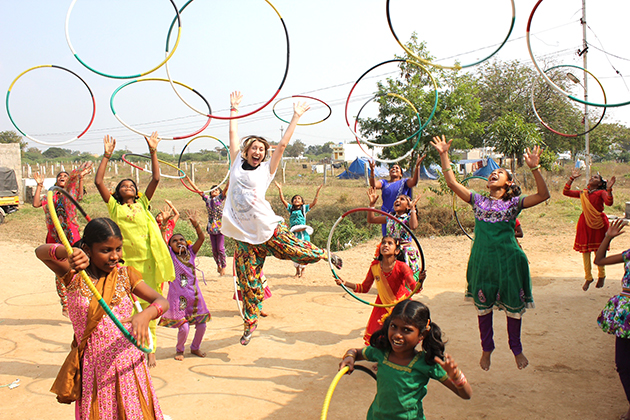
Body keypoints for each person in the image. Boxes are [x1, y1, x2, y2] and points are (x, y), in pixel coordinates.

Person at [222, 91, 342, 345]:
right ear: (245, 152)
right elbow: (232, 136)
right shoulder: (234, 162)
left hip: (267, 228)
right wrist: (233, 109)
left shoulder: (267, 169)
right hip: (244, 237)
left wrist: (296, 116)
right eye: (254, 148)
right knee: (249, 283)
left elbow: (284, 145)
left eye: (262, 149)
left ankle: (324, 255)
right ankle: (250, 323)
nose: (258, 151)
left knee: (297, 250)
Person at [431, 134, 550, 371]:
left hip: (510, 261)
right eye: (492, 174)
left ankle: (516, 349)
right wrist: (444, 155)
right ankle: (487, 349)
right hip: (483, 260)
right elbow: (453, 184)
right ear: (487, 183)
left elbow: (543, 195)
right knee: (483, 308)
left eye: (501, 173)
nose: (494, 173)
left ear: (508, 183)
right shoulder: (477, 201)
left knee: (513, 309)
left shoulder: (514, 203)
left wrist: (535, 168)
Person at [35, 218, 168, 419]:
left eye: (118, 249)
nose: (115, 256)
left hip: (128, 365)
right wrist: (68, 252)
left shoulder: (126, 275)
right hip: (93, 369)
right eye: (106, 250)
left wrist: (146, 314)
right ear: (87, 249)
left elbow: (161, 301)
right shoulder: (74, 276)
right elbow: (40, 252)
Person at [94, 133, 175, 367]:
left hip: (150, 262)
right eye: (123, 186)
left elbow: (156, 179)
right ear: (117, 193)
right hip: (126, 264)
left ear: (137, 192)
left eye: (131, 185)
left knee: (152, 305)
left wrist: (153, 151)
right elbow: (99, 182)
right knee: (128, 306)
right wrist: (107, 155)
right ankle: (132, 345)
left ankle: (150, 347)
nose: (128, 187)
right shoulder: (114, 208)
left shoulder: (143, 204)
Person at [339, 300, 472, 420]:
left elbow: (466, 395)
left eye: (406, 330)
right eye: (393, 326)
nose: (397, 334)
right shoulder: (380, 353)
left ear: (422, 334)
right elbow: (356, 352)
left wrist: (457, 377)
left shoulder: (427, 363)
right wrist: (349, 357)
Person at [336, 236, 425, 345]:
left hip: (400, 306)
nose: (385, 245)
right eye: (383, 243)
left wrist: (420, 281)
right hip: (382, 305)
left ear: (397, 251)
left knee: (401, 335)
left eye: (390, 243)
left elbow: (414, 288)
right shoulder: (375, 267)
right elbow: (364, 288)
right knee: (380, 337)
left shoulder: (402, 267)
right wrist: (345, 283)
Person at [33, 161, 93, 316]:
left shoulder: (70, 196)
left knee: (78, 266)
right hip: (55, 237)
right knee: (60, 271)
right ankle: (65, 302)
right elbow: (35, 204)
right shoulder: (50, 196)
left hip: (71, 236)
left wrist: (79, 177)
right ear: (56, 181)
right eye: (60, 176)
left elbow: (79, 196)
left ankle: (82, 299)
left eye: (65, 176)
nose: (62, 177)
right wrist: (39, 185)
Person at [159, 210, 210, 361]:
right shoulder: (171, 257)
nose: (179, 242)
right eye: (174, 241)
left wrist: (196, 225)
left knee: (201, 325)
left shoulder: (191, 253)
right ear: (170, 247)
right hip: (178, 299)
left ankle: (195, 348)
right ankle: (180, 350)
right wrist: (163, 225)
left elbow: (201, 238)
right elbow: (162, 242)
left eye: (181, 239)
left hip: (195, 296)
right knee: (184, 327)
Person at [594, 218, 630, 420]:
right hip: (626, 314)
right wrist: (607, 237)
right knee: (623, 364)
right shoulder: (629, 254)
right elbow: (599, 261)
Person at [563, 168, 615, 291]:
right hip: (585, 223)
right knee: (585, 251)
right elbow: (566, 192)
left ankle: (601, 275)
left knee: (599, 250)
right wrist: (571, 178)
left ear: (600, 184)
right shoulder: (584, 193)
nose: (592, 178)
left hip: (599, 223)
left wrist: (609, 189)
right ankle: (588, 277)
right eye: (592, 177)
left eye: (596, 178)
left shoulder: (601, 193)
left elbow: (609, 203)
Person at [366, 187, 422, 281]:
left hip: (404, 251)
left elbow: (413, 226)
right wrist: (372, 205)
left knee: (405, 277)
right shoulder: (389, 217)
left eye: (402, 199)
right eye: (397, 199)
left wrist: (413, 209)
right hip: (391, 250)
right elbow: (371, 220)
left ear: (408, 206)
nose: (397, 200)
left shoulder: (407, 218)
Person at [275, 181, 322, 277]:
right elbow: (283, 200)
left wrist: (317, 191)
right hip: (294, 234)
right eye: (295, 199)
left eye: (299, 199)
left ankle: (303, 270)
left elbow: (314, 203)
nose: (297, 200)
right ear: (292, 202)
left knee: (304, 251)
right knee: (294, 252)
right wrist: (280, 189)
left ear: (302, 202)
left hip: (303, 234)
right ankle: (297, 271)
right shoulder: (290, 208)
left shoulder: (304, 208)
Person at [369, 155, 425, 236]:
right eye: (392, 168)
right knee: (387, 237)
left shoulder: (404, 182)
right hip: (387, 214)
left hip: (401, 214)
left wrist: (417, 167)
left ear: (401, 174)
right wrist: (372, 171)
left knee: (403, 234)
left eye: (397, 168)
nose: (394, 168)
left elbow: (414, 182)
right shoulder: (384, 183)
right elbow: (373, 185)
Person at [189, 176, 229, 276]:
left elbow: (226, 188)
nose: (214, 191)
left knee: (220, 248)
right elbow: (198, 190)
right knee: (214, 250)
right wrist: (189, 180)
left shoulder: (220, 198)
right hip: (211, 228)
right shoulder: (207, 199)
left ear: (219, 192)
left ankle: (224, 266)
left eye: (216, 190)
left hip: (220, 227)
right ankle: (218, 264)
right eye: (213, 190)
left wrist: (231, 176)